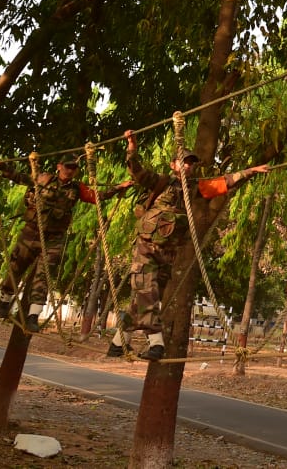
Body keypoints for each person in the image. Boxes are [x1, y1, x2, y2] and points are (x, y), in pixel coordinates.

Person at [108, 131, 270, 360]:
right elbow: (136, 170)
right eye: (183, 162)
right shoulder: (161, 181)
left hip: (167, 253)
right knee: (148, 297)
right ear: (173, 164)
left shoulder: (194, 189)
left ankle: (117, 344)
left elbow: (222, 182)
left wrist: (250, 171)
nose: (188, 167)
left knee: (141, 302)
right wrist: (131, 146)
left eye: (191, 164)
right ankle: (156, 344)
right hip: (147, 248)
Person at [0, 154, 132, 332]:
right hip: (31, 232)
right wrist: (2, 166)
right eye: (67, 166)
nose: (70, 171)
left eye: (73, 168)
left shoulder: (76, 188)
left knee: (44, 275)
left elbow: (97, 196)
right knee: (16, 267)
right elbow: (20, 177)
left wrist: (119, 187)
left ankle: (33, 316)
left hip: (54, 239)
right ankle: (4, 303)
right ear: (59, 166)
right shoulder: (43, 178)